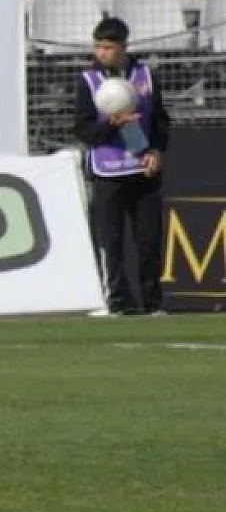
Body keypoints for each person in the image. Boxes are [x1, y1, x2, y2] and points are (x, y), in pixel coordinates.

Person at [74, 17, 170, 317]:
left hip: (142, 170)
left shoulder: (145, 75)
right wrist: (111, 126)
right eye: (98, 47)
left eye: (108, 47)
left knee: (149, 242)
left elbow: (160, 120)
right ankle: (116, 302)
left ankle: (152, 304)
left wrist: (156, 149)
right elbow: (83, 130)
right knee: (110, 242)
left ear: (123, 47)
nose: (101, 53)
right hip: (108, 171)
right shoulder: (89, 81)